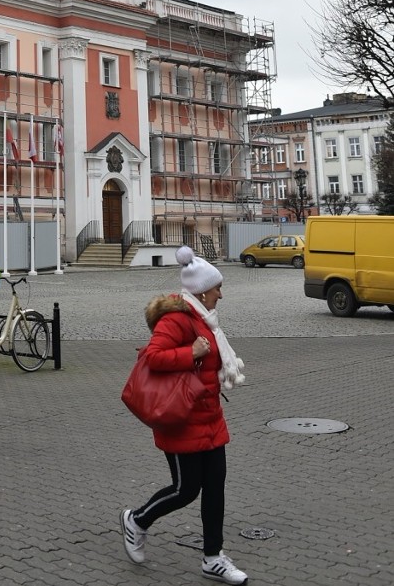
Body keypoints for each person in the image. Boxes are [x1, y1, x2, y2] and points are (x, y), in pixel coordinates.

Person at [120, 245, 248, 586]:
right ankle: (137, 520)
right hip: (180, 417)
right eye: (217, 287)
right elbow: (153, 357)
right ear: (202, 290)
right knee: (186, 489)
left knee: (215, 487)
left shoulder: (206, 319)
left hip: (209, 416)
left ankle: (213, 558)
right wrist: (189, 352)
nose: (221, 293)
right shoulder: (176, 319)